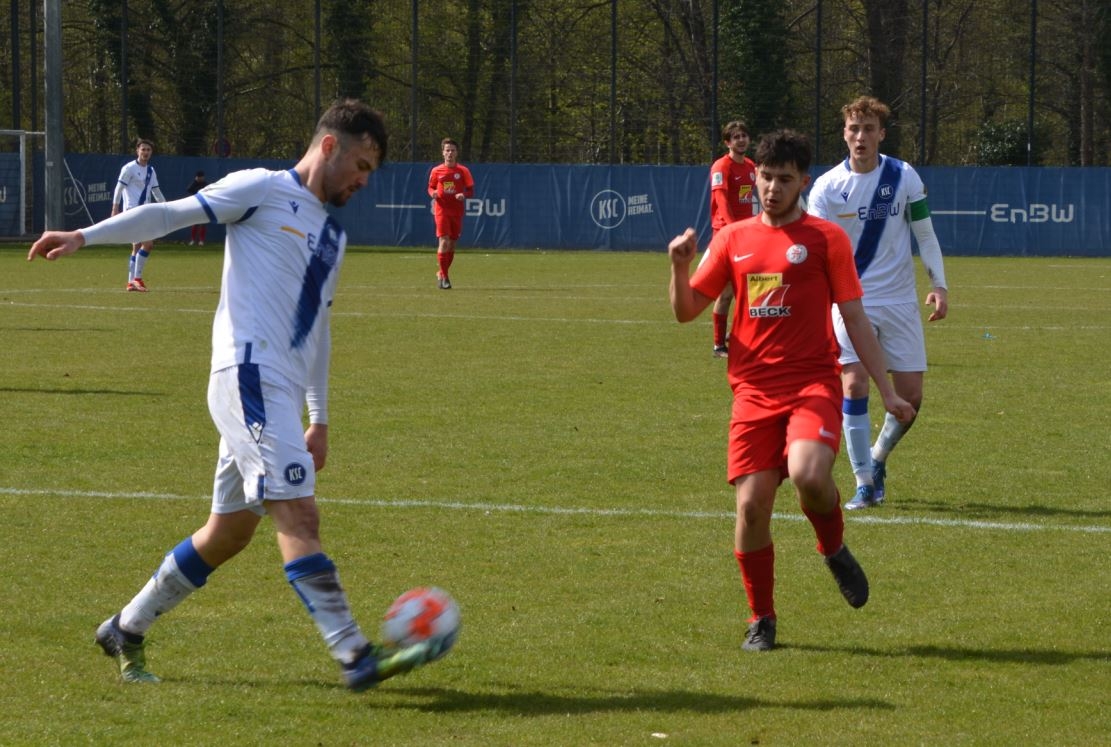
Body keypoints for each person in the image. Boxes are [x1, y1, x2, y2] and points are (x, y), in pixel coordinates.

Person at [28, 100, 445, 690]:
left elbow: (318, 328)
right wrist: (84, 235)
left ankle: (125, 627)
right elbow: (168, 214)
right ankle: (355, 656)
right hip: (247, 373)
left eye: (370, 172)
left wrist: (319, 417)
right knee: (298, 512)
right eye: (361, 164)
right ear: (329, 146)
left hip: (278, 391)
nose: (363, 180)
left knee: (228, 532)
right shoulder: (262, 189)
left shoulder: (332, 236)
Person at [667, 130, 915, 652]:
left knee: (808, 475)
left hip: (811, 385)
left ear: (804, 182)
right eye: (765, 177)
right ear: (755, 177)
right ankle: (762, 619)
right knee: (751, 507)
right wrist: (679, 265)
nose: (772, 188)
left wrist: (887, 391)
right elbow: (687, 310)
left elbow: (855, 318)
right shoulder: (732, 239)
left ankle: (833, 547)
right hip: (753, 394)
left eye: (784, 179)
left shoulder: (826, 239)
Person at [807, 96, 948, 510]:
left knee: (911, 398)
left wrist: (939, 285)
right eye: (854, 128)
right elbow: (817, 249)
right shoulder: (826, 188)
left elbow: (925, 234)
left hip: (900, 301)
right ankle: (864, 482)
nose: (861, 136)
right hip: (850, 301)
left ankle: (878, 457)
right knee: (854, 383)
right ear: (844, 133)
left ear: (881, 134)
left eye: (869, 129)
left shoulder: (903, 175)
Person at [702, 120, 758, 357]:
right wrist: (734, 229)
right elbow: (721, 200)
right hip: (727, 235)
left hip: (748, 234)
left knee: (752, 289)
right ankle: (718, 345)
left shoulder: (751, 166)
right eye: (736, 137)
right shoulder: (721, 166)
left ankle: (737, 335)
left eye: (744, 136)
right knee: (726, 293)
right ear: (727, 142)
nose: (741, 140)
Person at [111, 138, 165, 292]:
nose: (145, 152)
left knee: (136, 247)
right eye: (143, 149)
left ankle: (131, 282)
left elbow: (156, 191)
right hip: (132, 211)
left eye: (148, 150)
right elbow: (119, 188)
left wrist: (166, 206)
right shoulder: (129, 168)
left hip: (145, 212)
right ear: (137, 151)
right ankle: (137, 279)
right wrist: (115, 208)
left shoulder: (151, 170)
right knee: (148, 244)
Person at [427, 137, 474, 289]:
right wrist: (433, 193)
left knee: (452, 244)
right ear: (443, 153)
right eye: (447, 150)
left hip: (457, 211)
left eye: (452, 150)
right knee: (444, 241)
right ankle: (445, 278)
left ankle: (441, 273)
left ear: (457, 153)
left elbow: (470, 190)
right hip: (441, 210)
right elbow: (430, 187)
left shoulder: (463, 171)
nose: (450, 153)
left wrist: (463, 195)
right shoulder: (436, 170)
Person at [186, 170, 208, 245]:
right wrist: (195, 182)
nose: (199, 178)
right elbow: (189, 189)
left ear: (203, 177)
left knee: (203, 223)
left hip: (204, 205)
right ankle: (192, 240)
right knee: (195, 223)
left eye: (201, 177)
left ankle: (201, 241)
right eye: (198, 177)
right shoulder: (194, 184)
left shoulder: (205, 184)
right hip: (195, 205)